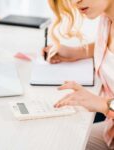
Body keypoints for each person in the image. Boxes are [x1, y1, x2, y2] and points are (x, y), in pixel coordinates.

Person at [43, 0, 114, 149]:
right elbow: (106, 47)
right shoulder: (107, 17)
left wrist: (103, 104)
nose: (75, 1)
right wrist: (76, 52)